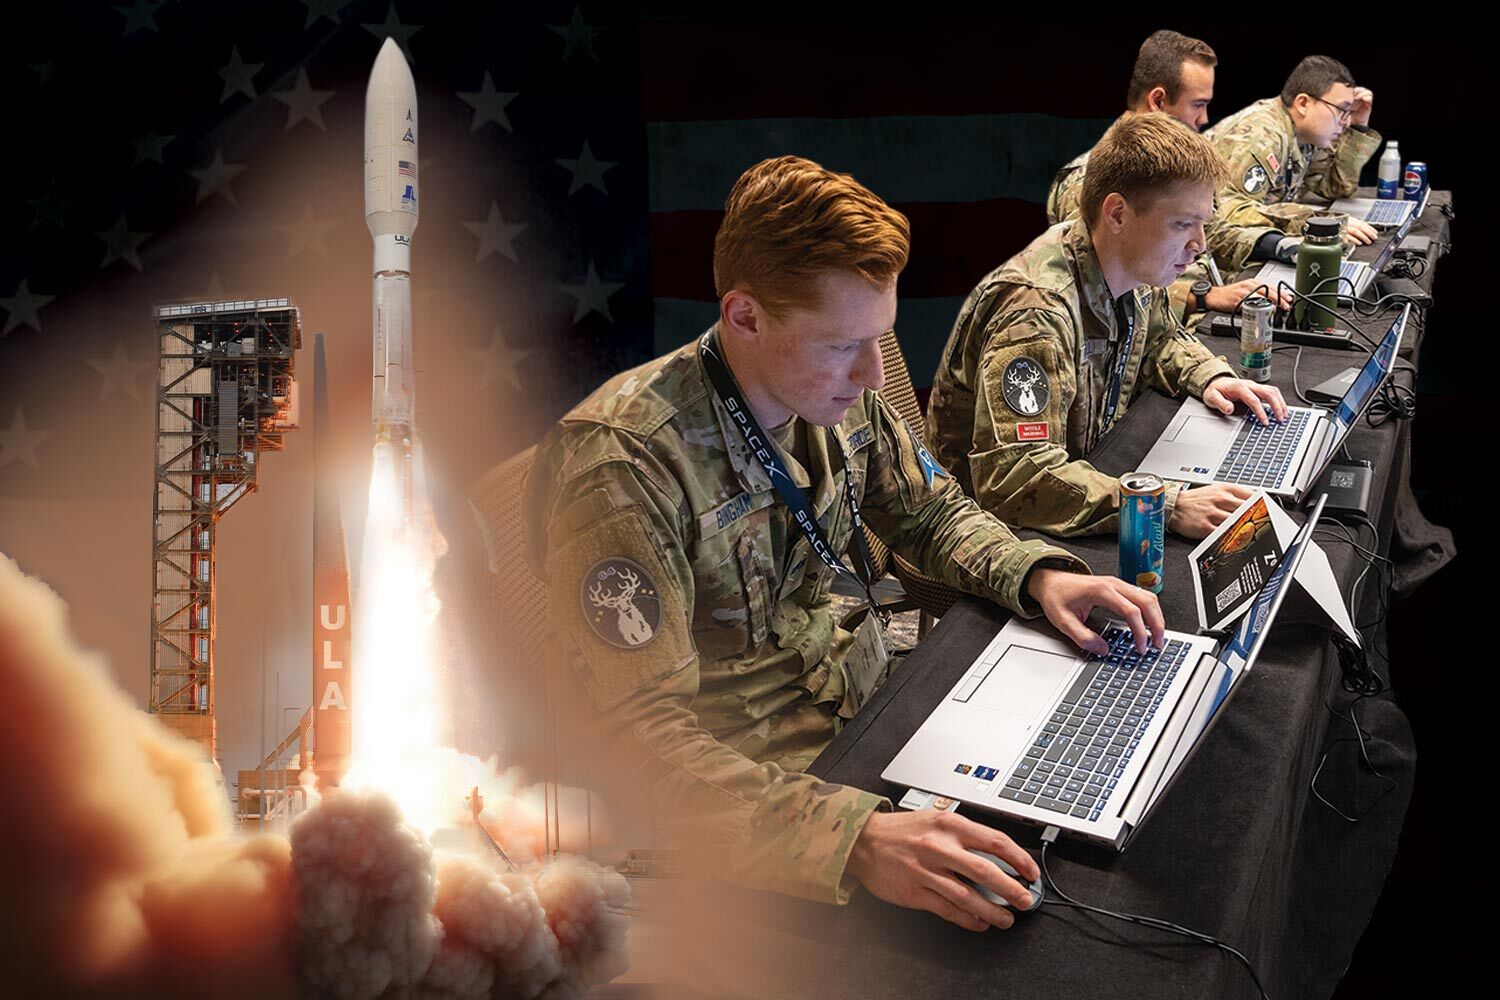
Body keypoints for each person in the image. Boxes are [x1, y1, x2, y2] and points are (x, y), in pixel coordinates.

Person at [521, 155, 1165, 932]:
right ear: (744, 316)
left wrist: (1037, 577)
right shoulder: (623, 466)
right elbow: (635, 746)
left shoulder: (830, 392)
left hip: (863, 709)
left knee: (1094, 834)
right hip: (751, 803)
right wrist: (852, 839)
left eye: (879, 340)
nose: (871, 375)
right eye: (840, 345)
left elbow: (929, 515)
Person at [927, 113, 1288, 540]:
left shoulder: (1132, 266)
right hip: (984, 531)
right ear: (1117, 213)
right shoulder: (1036, 313)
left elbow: (1161, 339)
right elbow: (1014, 477)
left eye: (1203, 223)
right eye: (1182, 224)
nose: (1200, 245)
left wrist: (1208, 375)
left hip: (1081, 477)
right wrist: (1162, 505)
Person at [1045, 29, 1270, 319]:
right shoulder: (1091, 181)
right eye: (1198, 105)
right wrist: (1203, 297)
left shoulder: (1179, 168)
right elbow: (1104, 285)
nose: (1204, 119)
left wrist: (1276, 244)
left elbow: (1212, 232)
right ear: (1159, 101)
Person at [1205, 55, 1381, 272]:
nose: (1345, 121)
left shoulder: (1305, 135)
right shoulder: (1262, 134)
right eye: (1341, 110)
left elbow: (1335, 186)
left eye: (1349, 112)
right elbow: (1230, 210)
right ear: (1304, 103)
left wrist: (1359, 127)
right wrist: (1316, 224)